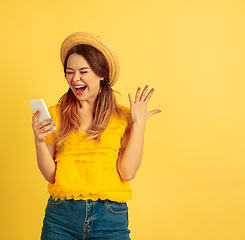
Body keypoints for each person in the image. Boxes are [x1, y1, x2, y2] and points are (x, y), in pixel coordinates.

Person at [32, 32, 161, 240]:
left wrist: (139, 124)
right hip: (60, 218)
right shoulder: (55, 115)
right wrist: (39, 141)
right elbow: (51, 175)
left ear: (102, 74)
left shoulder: (123, 117)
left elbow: (127, 172)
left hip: (109, 219)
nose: (75, 79)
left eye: (83, 71)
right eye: (69, 72)